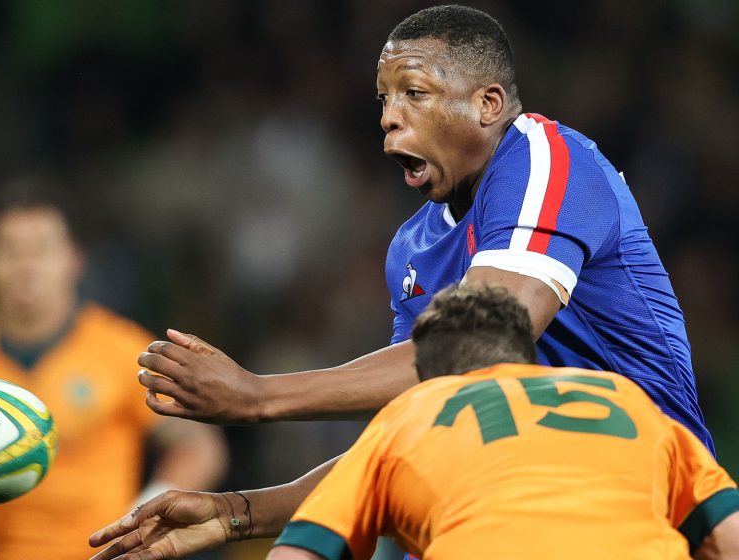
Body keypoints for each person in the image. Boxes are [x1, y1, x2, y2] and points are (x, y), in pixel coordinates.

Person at [133, 3, 714, 453]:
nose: (388, 115)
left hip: (638, 491)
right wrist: (238, 512)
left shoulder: (546, 161)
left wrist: (259, 396)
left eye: (415, 93)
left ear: (488, 104)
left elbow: (476, 346)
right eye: (384, 99)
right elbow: (414, 427)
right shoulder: (413, 245)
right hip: (508, 499)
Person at [92, 285, 739, 560]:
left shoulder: (410, 418)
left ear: (427, 372)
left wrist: (233, 517)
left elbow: (300, 553)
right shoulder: (627, 404)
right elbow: (727, 538)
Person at [0, 179, 228, 560]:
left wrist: (147, 510)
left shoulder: (121, 349)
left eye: (41, 250)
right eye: (10, 251)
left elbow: (199, 446)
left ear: (74, 260)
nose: (26, 266)